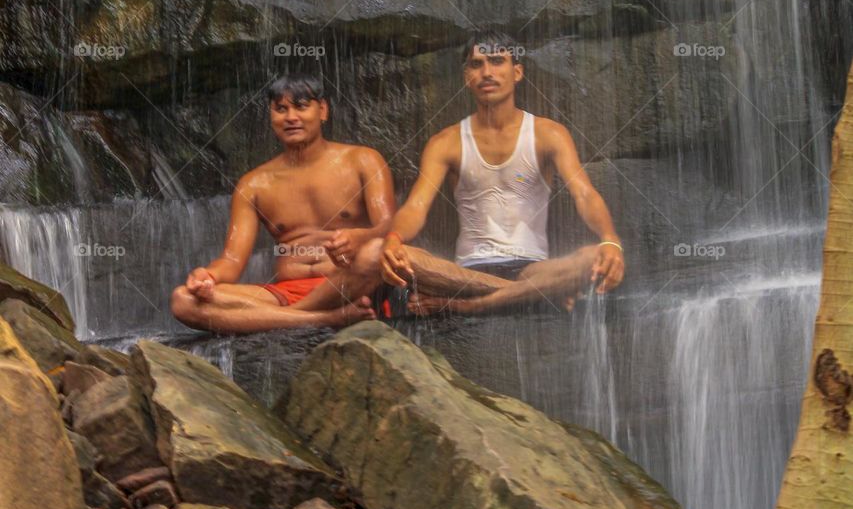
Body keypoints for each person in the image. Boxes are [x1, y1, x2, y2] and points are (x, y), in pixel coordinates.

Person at [376, 32, 625, 316]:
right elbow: (417, 206)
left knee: (593, 258)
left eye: (497, 61)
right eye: (476, 64)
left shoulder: (548, 134)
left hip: (534, 270)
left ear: (517, 72)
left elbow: (584, 193)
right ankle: (535, 297)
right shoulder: (445, 142)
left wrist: (609, 238)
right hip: (465, 273)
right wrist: (393, 239)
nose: (487, 72)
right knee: (404, 257)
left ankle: (467, 306)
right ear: (466, 77)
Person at [170, 72, 392, 334]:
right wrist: (208, 276)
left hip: (347, 285)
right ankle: (325, 319)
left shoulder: (363, 160)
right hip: (283, 293)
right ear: (271, 116)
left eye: (300, 106)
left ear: (322, 110)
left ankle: (281, 318)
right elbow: (231, 261)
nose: (291, 118)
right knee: (183, 300)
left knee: (376, 251)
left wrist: (359, 237)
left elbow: (390, 229)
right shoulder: (253, 184)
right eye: (281, 109)